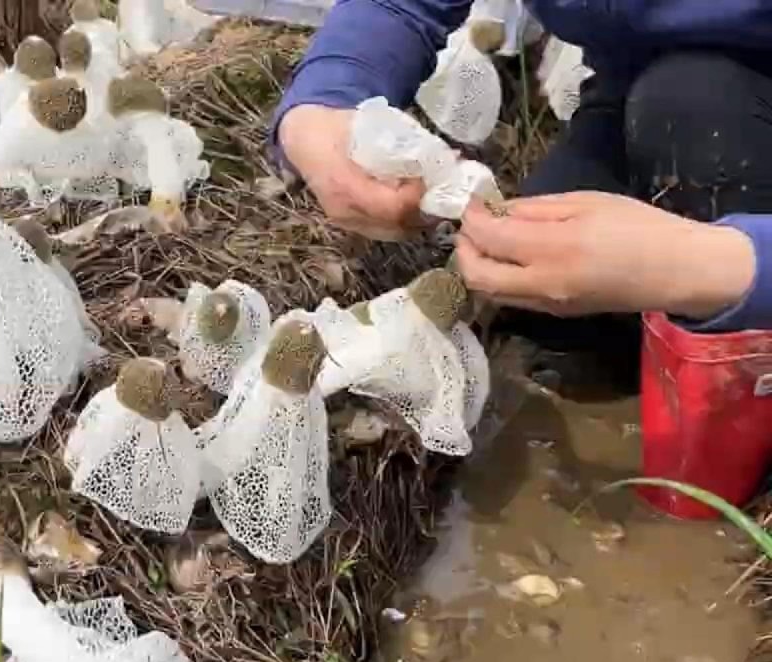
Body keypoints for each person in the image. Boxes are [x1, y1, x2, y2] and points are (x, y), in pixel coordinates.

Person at [271, 0, 772, 388]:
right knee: (547, 313)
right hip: (634, 83)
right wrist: (325, 102)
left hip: (715, 101)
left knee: (692, 104)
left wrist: (725, 265)